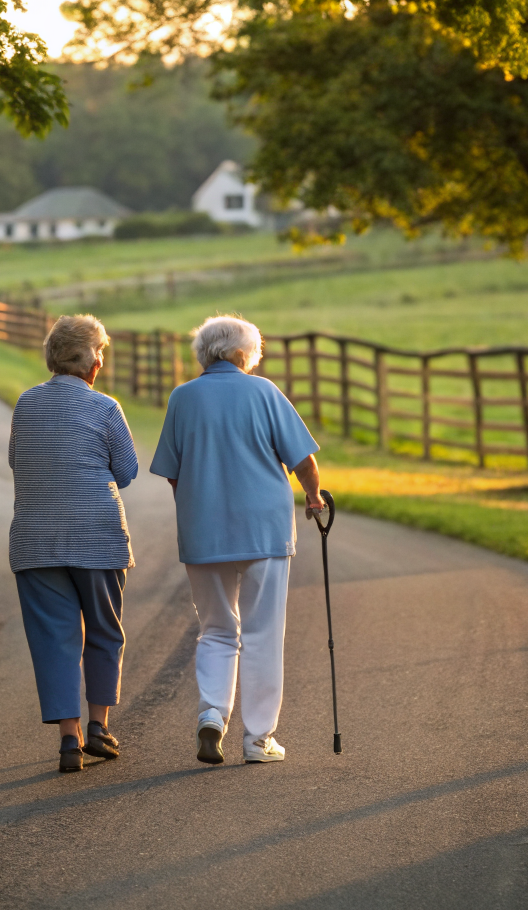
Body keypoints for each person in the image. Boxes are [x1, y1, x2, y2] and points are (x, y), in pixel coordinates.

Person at [149, 315, 323, 765]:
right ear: (245, 354)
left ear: (205, 353)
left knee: (215, 629)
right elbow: (302, 458)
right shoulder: (264, 392)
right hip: (264, 530)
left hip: (204, 532)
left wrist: (197, 503)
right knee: (264, 633)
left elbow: (171, 470)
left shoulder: (182, 397)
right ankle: (258, 738)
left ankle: (212, 713)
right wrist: (314, 496)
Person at [9, 314, 138, 773]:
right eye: (98, 352)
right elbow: (126, 472)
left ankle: (70, 740)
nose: (101, 360)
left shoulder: (26, 405)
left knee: (53, 639)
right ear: (91, 363)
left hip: (35, 541)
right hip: (97, 538)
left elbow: (16, 461)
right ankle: (100, 727)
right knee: (103, 630)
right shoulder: (105, 409)